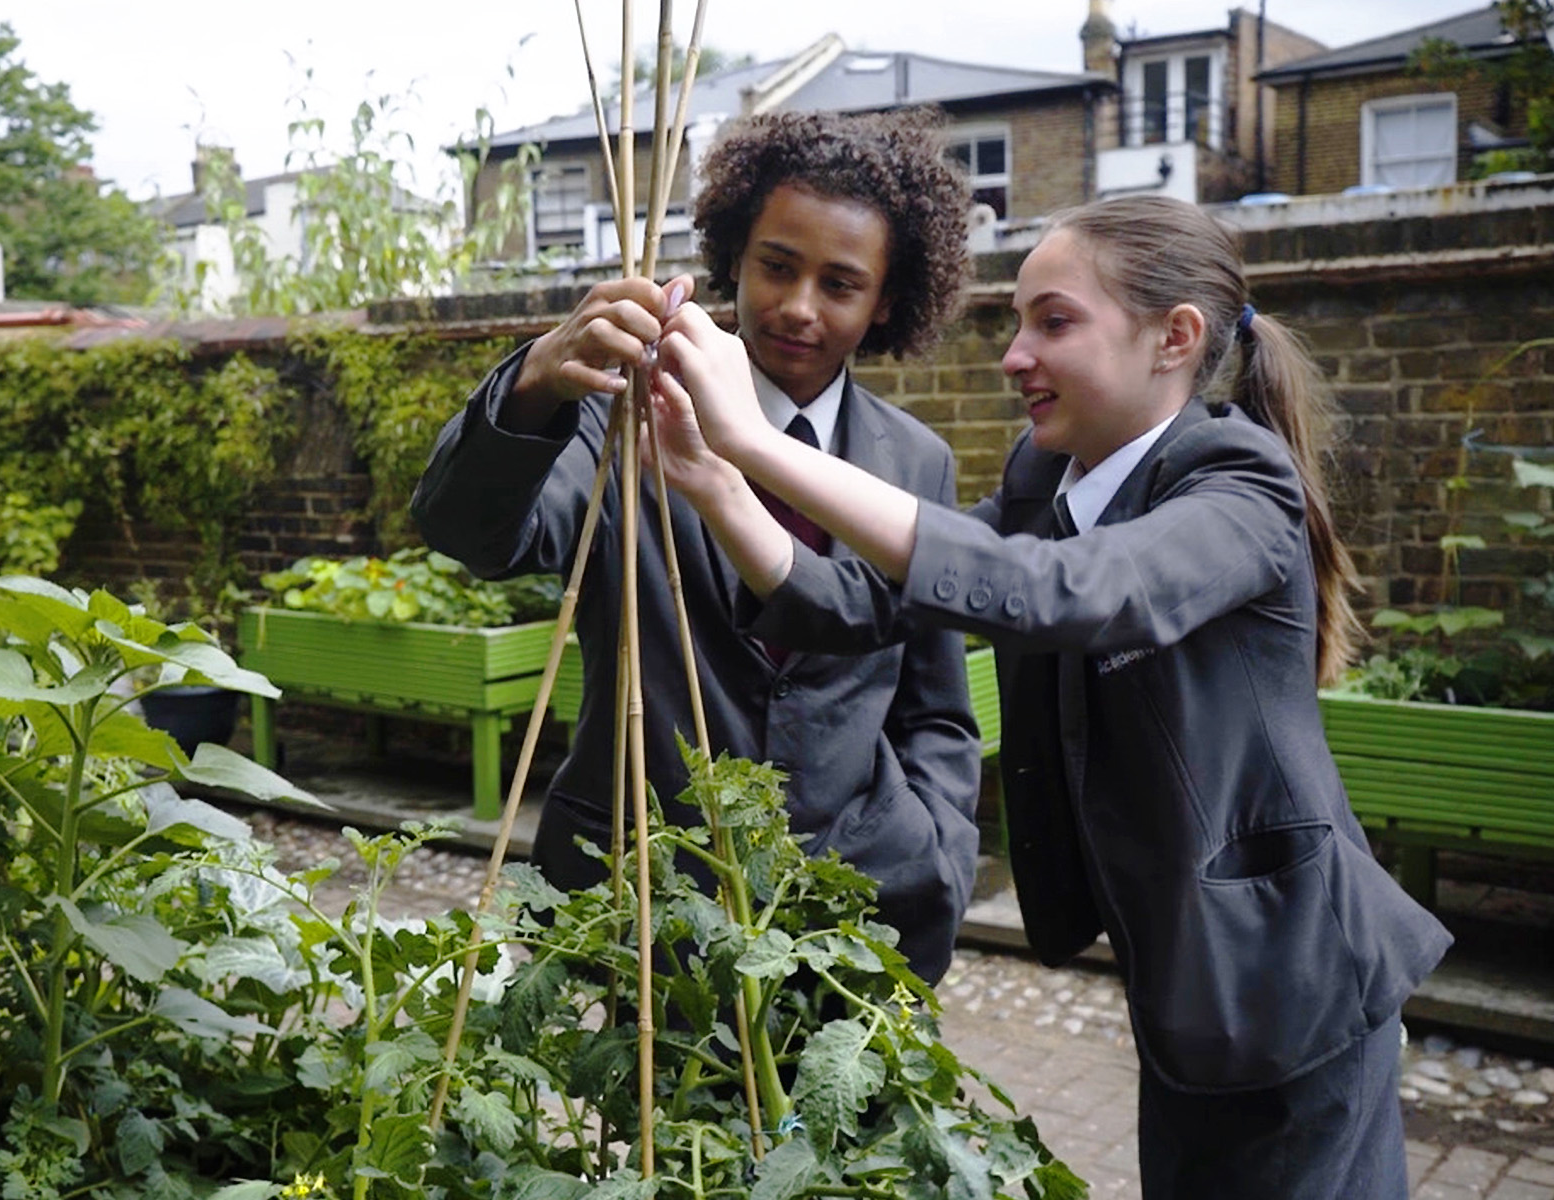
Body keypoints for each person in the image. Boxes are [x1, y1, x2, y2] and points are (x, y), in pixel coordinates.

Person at [647, 194, 1451, 1199]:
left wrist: (762, 444)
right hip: (1189, 990)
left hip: (1296, 986)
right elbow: (851, 604)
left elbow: (1070, 595)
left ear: (1175, 338)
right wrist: (714, 480)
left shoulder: (1242, 483)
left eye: (1053, 321)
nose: (1014, 354)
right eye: (1017, 321)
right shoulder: (1049, 480)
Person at [410, 109, 983, 982]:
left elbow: (935, 708)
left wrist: (936, 848)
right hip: (643, 910)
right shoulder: (624, 418)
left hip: (851, 917)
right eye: (776, 267)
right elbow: (473, 534)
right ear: (733, 258)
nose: (797, 306)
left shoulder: (917, 463)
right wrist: (534, 381)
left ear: (885, 303)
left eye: (839, 284)